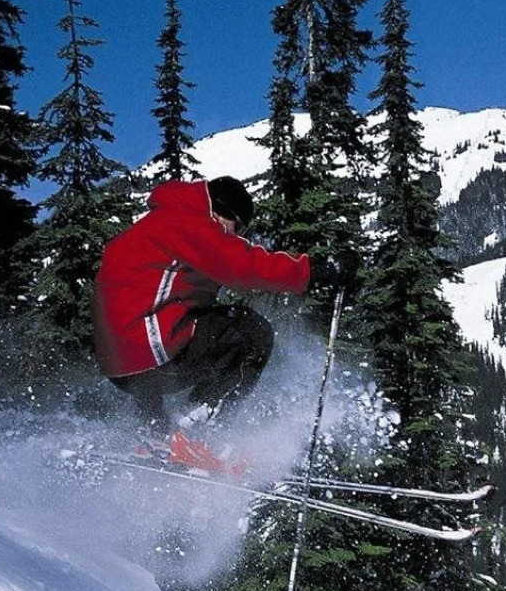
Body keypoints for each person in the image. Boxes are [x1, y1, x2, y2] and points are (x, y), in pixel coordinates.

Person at [93, 175, 342, 431]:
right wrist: (312, 272)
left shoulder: (159, 222)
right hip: (147, 348)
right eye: (239, 229)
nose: (236, 237)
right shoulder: (191, 222)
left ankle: (157, 434)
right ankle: (196, 432)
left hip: (119, 363)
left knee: (194, 324)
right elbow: (243, 266)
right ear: (224, 214)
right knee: (252, 333)